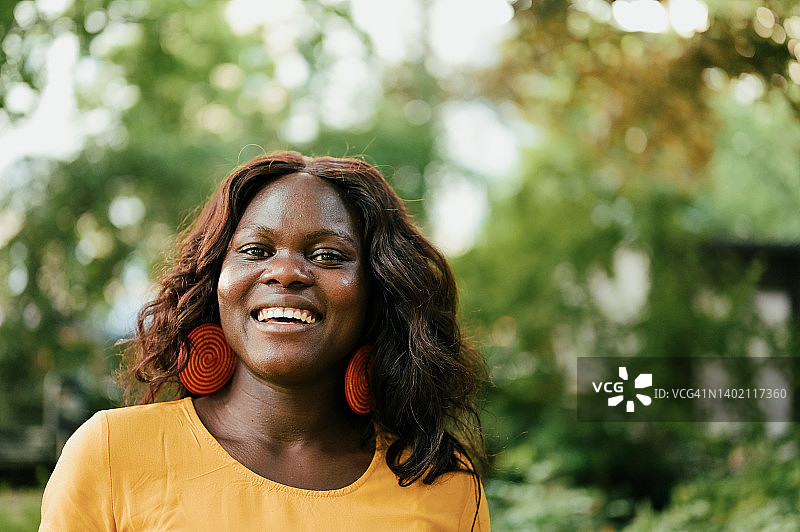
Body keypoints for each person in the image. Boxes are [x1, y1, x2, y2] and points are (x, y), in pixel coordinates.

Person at [39, 152, 490, 531]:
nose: (287, 272)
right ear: (216, 280)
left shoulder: (443, 485)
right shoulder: (112, 453)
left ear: (378, 290)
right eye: (256, 251)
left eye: (328, 256)